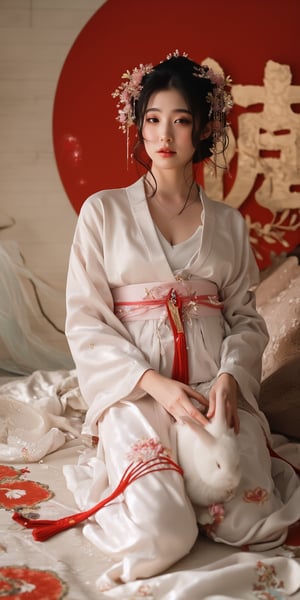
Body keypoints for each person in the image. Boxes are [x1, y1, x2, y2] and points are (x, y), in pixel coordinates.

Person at [63, 51, 300, 587]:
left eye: (181, 120)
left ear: (204, 129)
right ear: (137, 125)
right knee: (164, 534)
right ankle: (158, 487)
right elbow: (87, 319)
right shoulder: (103, 212)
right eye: (152, 119)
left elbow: (246, 318)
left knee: (248, 519)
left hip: (210, 389)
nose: (163, 135)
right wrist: (154, 386)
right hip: (137, 390)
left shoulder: (230, 224)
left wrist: (230, 380)